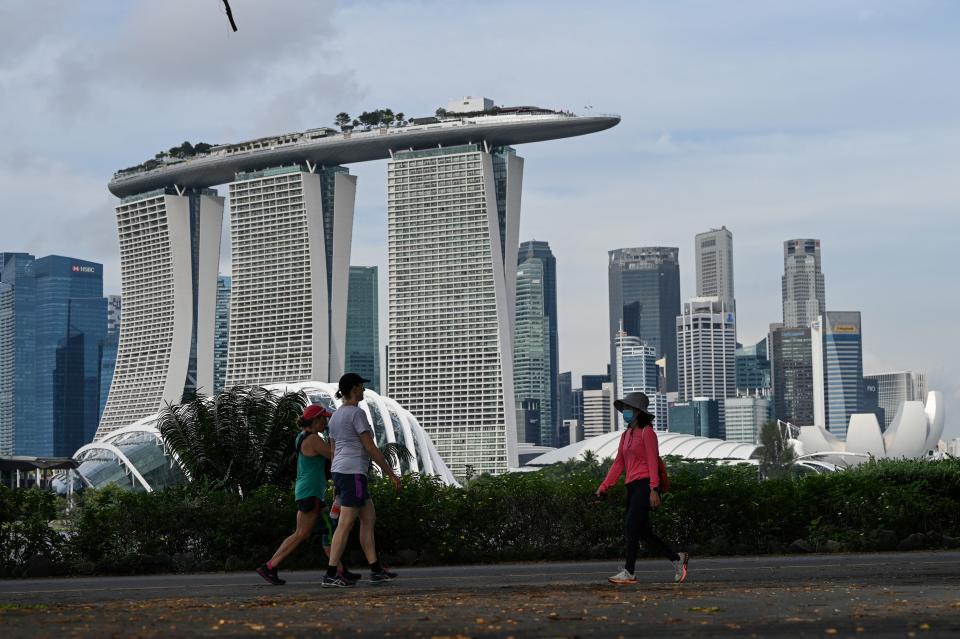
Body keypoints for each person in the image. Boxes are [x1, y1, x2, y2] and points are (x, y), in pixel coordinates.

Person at [256, 403, 359, 585]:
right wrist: (337, 436)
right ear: (315, 420)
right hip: (311, 492)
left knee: (316, 531)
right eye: (323, 419)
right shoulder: (313, 439)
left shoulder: (302, 437)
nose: (326, 422)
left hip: (307, 491)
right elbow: (334, 455)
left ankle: (339, 570)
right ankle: (270, 566)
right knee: (311, 532)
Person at [595, 392, 689, 585]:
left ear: (638, 412)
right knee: (644, 532)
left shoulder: (648, 433)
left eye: (628, 408)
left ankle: (629, 572)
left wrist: (654, 489)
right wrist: (604, 486)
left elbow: (653, 462)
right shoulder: (626, 435)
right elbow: (618, 464)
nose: (625, 412)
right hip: (632, 486)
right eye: (624, 408)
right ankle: (677, 559)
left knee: (631, 525)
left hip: (645, 485)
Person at [322, 373, 403, 587]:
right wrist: (391, 474)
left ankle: (376, 570)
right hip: (353, 473)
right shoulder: (356, 413)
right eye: (361, 386)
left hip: (341, 472)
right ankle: (331, 574)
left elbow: (333, 449)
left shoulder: (337, 415)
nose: (364, 390)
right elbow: (370, 447)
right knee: (345, 524)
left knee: (368, 518)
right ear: (354, 389)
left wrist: (335, 481)